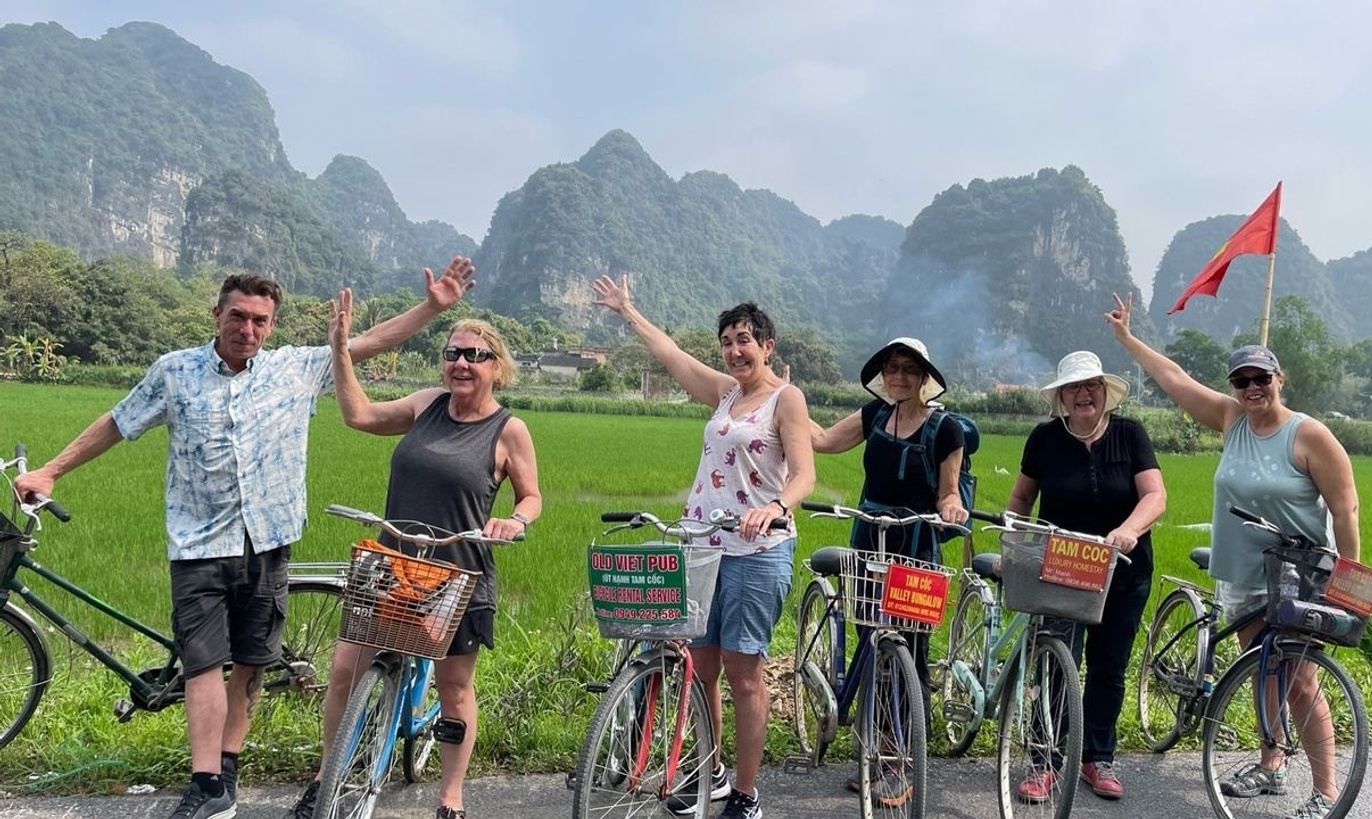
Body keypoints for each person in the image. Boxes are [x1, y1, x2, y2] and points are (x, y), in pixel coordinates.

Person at [12, 260, 475, 819]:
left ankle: (226, 771)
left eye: (260, 320)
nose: (247, 329)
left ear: (271, 325)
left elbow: (371, 341)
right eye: (238, 316)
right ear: (217, 314)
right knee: (203, 663)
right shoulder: (175, 371)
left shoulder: (295, 368)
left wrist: (432, 307)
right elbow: (118, 421)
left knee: (252, 661)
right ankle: (206, 782)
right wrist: (51, 471)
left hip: (268, 542)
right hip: (199, 544)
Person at [1106, 293, 1360, 818]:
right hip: (1243, 573)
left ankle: (1326, 791)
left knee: (1300, 680)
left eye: (1260, 378)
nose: (1251, 388)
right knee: (1262, 670)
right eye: (1241, 381)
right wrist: (1128, 338)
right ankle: (1271, 764)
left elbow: (1346, 509)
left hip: (1298, 575)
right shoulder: (1231, 419)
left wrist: (1347, 582)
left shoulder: (1309, 434)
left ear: (1279, 379)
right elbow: (1175, 379)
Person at [287, 297, 541, 819]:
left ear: (497, 366)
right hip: (391, 565)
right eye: (453, 354)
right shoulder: (426, 405)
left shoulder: (507, 429)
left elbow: (531, 497)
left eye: (475, 355)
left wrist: (515, 521)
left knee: (454, 687)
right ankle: (325, 778)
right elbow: (358, 415)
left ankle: (450, 797)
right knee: (344, 671)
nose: (461, 363)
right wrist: (340, 349)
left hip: (457, 573)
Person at [592, 274, 815, 819]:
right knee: (701, 668)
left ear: (767, 346)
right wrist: (627, 310)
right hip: (702, 548)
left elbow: (805, 474)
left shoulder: (786, 399)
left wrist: (776, 506)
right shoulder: (725, 393)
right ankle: (710, 772)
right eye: (727, 342)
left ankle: (746, 793)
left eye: (745, 340)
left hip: (757, 552)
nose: (735, 351)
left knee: (744, 673)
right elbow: (671, 355)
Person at [808, 337, 970, 798]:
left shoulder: (946, 430)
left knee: (910, 652)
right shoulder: (874, 415)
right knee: (871, 645)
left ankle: (904, 759)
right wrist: (786, 398)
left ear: (924, 378)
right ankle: (877, 752)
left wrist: (952, 508)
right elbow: (822, 440)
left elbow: (948, 491)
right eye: (892, 368)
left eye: (909, 369)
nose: (899, 376)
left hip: (916, 545)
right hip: (869, 539)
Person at [1004, 350, 1166, 802]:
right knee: (1057, 661)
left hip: (1123, 570)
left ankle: (1097, 757)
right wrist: (1012, 546)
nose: (1083, 394)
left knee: (1109, 666)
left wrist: (1129, 530)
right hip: (1063, 567)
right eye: (1073, 387)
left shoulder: (1130, 434)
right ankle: (1045, 759)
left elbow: (1155, 495)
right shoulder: (1044, 439)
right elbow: (1021, 499)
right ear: (1061, 397)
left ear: (1104, 392)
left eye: (1091, 385)